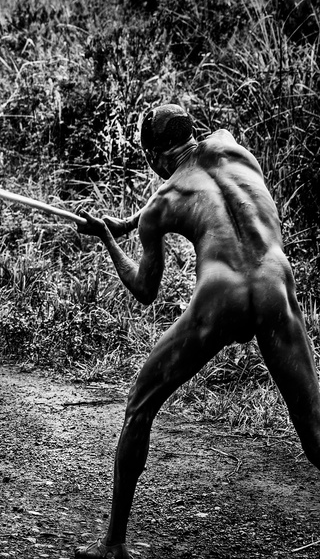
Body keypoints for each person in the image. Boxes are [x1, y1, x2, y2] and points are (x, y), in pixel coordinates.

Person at [74, 104, 320, 559]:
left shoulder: (161, 203)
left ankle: (113, 545)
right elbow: (203, 191)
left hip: (220, 297)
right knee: (314, 429)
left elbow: (145, 289)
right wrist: (130, 222)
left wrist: (111, 240)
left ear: (154, 157)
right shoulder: (231, 146)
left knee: (140, 403)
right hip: (273, 282)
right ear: (194, 130)